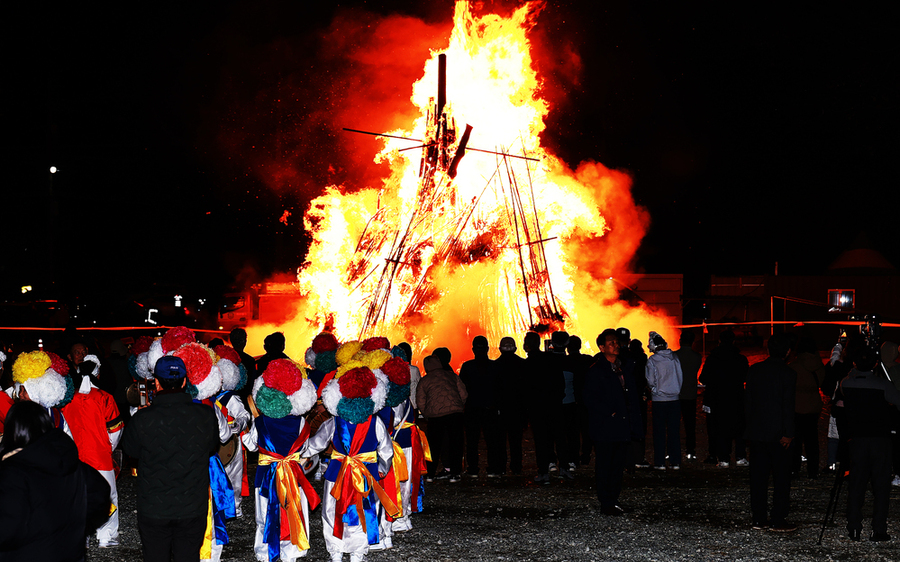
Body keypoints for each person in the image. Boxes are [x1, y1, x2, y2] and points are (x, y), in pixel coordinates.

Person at [121, 356, 220, 562]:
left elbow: (131, 450)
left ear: (156, 383)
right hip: (192, 505)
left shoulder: (144, 418)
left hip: (154, 507)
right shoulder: (205, 414)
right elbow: (212, 448)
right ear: (184, 382)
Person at [0, 400, 111, 562]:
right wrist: (74, 523)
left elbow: (7, 528)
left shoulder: (13, 472)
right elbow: (100, 495)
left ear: (11, 433)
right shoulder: (69, 461)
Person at [60, 352, 124, 548]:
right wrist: (108, 446)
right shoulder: (105, 397)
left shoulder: (68, 399)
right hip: (101, 457)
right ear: (98, 373)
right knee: (108, 495)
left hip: (77, 458)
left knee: (78, 496)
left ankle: (82, 537)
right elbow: (116, 429)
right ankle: (106, 536)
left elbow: (64, 429)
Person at [840, 336, 900, 542]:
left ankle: (854, 527)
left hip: (857, 440)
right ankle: (878, 529)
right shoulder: (883, 385)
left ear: (854, 362)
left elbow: (847, 383)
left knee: (856, 485)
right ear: (876, 363)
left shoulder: (846, 384)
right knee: (881, 487)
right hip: (880, 441)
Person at [583, 329, 643, 515]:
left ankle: (613, 500)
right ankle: (606, 502)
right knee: (605, 465)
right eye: (611, 343)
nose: (616, 345)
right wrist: (610, 412)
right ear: (602, 348)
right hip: (605, 427)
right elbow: (589, 399)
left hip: (622, 425)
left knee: (618, 465)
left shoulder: (623, 368)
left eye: (617, 342)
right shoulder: (596, 371)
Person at [744, 333, 797, 532]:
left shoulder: (755, 370)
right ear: (788, 351)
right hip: (779, 434)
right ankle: (777, 519)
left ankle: (759, 518)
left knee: (758, 478)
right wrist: (789, 433)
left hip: (758, 432)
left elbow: (748, 403)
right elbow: (787, 406)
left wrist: (750, 429)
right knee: (781, 479)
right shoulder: (788, 373)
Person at [700, 329, 749, 467]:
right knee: (739, 428)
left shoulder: (712, 358)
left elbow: (703, 378)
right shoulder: (740, 359)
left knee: (720, 428)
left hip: (717, 398)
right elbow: (746, 376)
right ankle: (740, 456)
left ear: (719, 341)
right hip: (736, 398)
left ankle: (723, 458)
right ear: (734, 341)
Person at [417, 352, 467, 482]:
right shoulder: (452, 376)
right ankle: (455, 474)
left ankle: (430, 474)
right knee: (456, 443)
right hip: (455, 414)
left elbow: (420, 401)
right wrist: (458, 406)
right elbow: (464, 393)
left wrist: (427, 414)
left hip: (436, 416)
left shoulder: (424, 381)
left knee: (434, 445)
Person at [459, 335, 504, 477]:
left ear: (473, 349)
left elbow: (462, 388)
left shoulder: (467, 367)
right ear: (487, 349)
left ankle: (473, 469)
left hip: (472, 408)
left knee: (472, 441)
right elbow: (500, 388)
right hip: (489, 409)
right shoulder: (495, 366)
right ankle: (493, 468)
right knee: (492, 441)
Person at [523, 331, 564, 483]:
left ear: (527, 346)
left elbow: (525, 388)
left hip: (537, 408)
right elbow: (559, 381)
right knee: (558, 436)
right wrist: (558, 397)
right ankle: (564, 468)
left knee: (541, 440)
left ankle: (543, 472)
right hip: (553, 404)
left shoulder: (526, 365)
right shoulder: (551, 359)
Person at [789, 336, 826, 479]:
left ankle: (794, 468)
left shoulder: (794, 366)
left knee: (796, 439)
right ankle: (813, 469)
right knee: (812, 440)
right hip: (813, 405)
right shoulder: (819, 366)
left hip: (797, 406)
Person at [645, 332, 683, 470]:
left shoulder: (652, 360)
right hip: (674, 400)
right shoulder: (674, 358)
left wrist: (655, 389)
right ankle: (675, 461)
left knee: (659, 432)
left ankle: (660, 462)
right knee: (674, 431)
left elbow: (650, 381)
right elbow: (680, 377)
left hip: (659, 401)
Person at [495, 336, 527, 474]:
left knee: (500, 441)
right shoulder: (522, 364)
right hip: (517, 409)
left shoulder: (495, 366)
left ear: (500, 349)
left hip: (501, 409)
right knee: (516, 441)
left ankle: (501, 467)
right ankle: (516, 466)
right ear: (515, 348)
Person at [567, 335, 596, 466]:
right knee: (586, 430)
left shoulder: (564, 361)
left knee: (572, 431)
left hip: (570, 401)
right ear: (580, 346)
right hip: (586, 400)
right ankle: (585, 455)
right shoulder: (588, 360)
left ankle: (573, 457)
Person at [675, 331, 702, 461]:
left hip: (676, 394)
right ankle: (690, 450)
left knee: (674, 424)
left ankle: (673, 450)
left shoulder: (675, 356)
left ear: (680, 341)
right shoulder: (697, 357)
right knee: (690, 425)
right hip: (690, 394)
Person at [229, 328, 259, 405]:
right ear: (244, 342)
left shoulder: (225, 358)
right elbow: (252, 384)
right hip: (245, 401)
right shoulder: (249, 361)